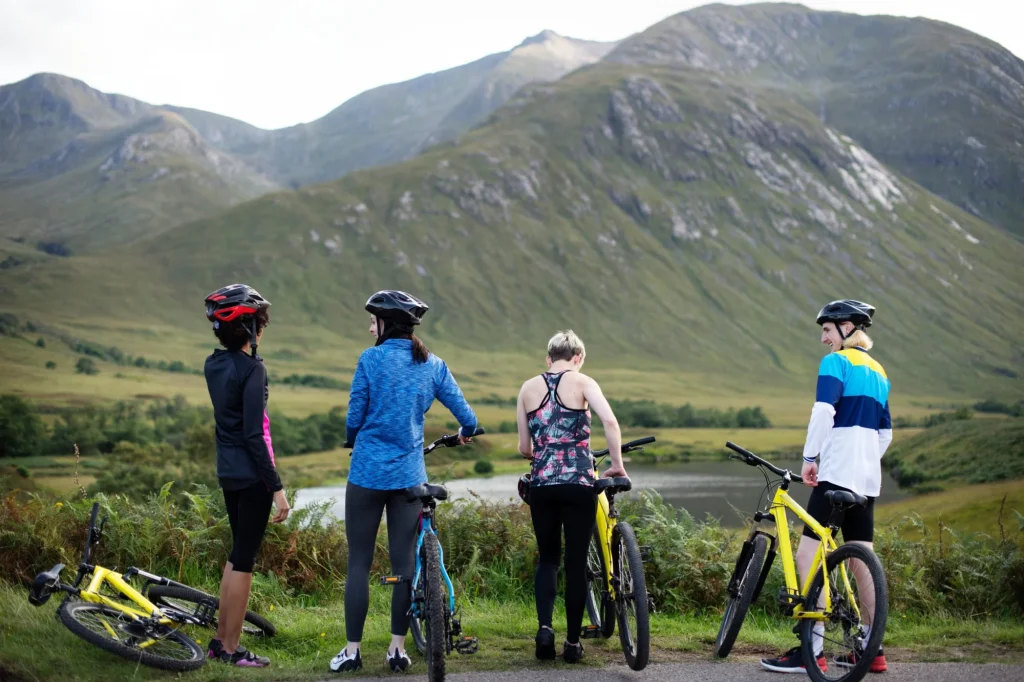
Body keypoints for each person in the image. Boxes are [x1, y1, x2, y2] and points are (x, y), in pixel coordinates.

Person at [330, 290, 478, 674]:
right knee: (403, 566)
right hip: (410, 477)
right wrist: (465, 431)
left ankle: (352, 651)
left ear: (385, 324)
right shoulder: (433, 364)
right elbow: (468, 417)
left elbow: (354, 416)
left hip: (366, 474)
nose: (369, 327)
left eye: (372, 321)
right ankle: (397, 649)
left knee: (359, 563)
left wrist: (352, 436)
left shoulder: (370, 359)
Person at [760, 300, 891, 675]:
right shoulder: (880, 372)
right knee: (861, 559)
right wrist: (863, 457)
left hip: (835, 472)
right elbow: (885, 434)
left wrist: (810, 458)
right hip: (867, 478)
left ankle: (811, 649)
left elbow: (823, 411)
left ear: (847, 327)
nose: (823, 339)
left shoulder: (837, 362)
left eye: (827, 330)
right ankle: (871, 647)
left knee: (808, 557)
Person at [515, 330, 627, 664]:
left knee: (548, 558)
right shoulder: (583, 381)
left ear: (549, 357)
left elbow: (524, 448)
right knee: (576, 562)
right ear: (577, 357)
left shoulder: (527, 388)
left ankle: (545, 630)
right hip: (579, 482)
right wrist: (617, 465)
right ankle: (574, 642)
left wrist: (547, 450)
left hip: (543, 484)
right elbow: (609, 420)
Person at [202, 283, 290, 668]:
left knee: (236, 554)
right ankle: (232, 649)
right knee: (245, 560)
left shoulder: (213, 364)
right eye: (260, 323)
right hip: (253, 478)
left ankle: (220, 641)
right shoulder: (254, 370)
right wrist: (277, 488)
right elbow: (255, 436)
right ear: (251, 328)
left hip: (228, 473)